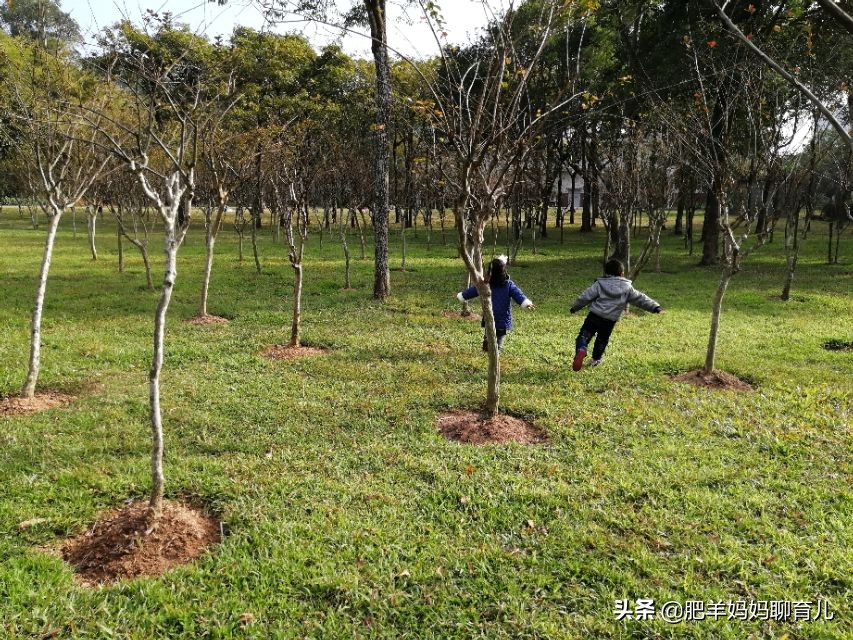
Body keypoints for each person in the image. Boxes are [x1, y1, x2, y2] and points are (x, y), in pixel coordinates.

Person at [569, 258, 663, 370]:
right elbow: (640, 299)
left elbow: (585, 297)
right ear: (622, 274)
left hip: (594, 316)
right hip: (609, 320)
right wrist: (655, 307)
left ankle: (582, 349)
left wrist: (575, 307)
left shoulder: (599, 284)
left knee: (584, 335)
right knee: (602, 339)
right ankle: (595, 359)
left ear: (606, 273)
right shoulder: (627, 288)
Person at [457, 255, 535, 352]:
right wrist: (527, 303)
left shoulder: (486, 284)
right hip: (502, 318)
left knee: (489, 331)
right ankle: (497, 349)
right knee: (500, 337)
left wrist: (462, 296)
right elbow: (518, 294)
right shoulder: (508, 284)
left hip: (489, 314)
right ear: (504, 271)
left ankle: (488, 342)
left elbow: (474, 290)